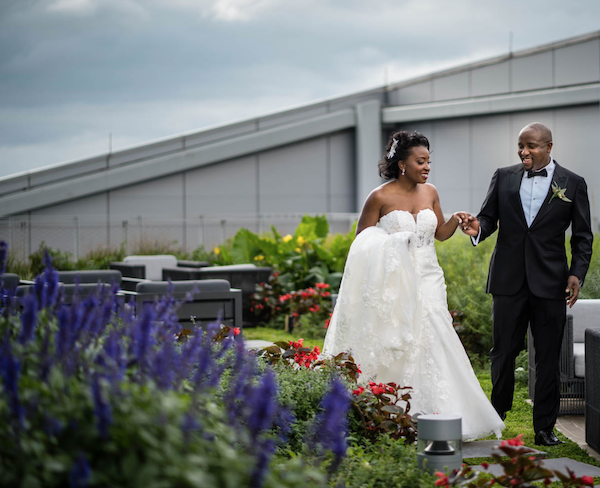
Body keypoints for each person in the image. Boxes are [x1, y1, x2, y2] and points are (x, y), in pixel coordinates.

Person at [323, 130, 505, 441]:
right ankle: (390, 408)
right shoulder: (379, 197)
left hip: (430, 275)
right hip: (395, 279)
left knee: (434, 335)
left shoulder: (430, 192)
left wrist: (456, 221)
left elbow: (440, 234)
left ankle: (438, 412)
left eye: (429, 161)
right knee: (398, 335)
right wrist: (393, 243)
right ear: (402, 163)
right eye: (421, 161)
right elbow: (361, 243)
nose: (427, 167)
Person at [461, 122, 593, 446]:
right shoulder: (503, 176)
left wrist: (576, 273)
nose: (523, 152)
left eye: (531, 146)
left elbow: (582, 235)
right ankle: (497, 415)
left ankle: (545, 427)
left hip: (551, 283)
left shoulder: (573, 183)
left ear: (549, 147)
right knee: (503, 352)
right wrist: (477, 227)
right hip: (508, 280)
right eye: (520, 146)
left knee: (548, 357)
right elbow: (488, 218)